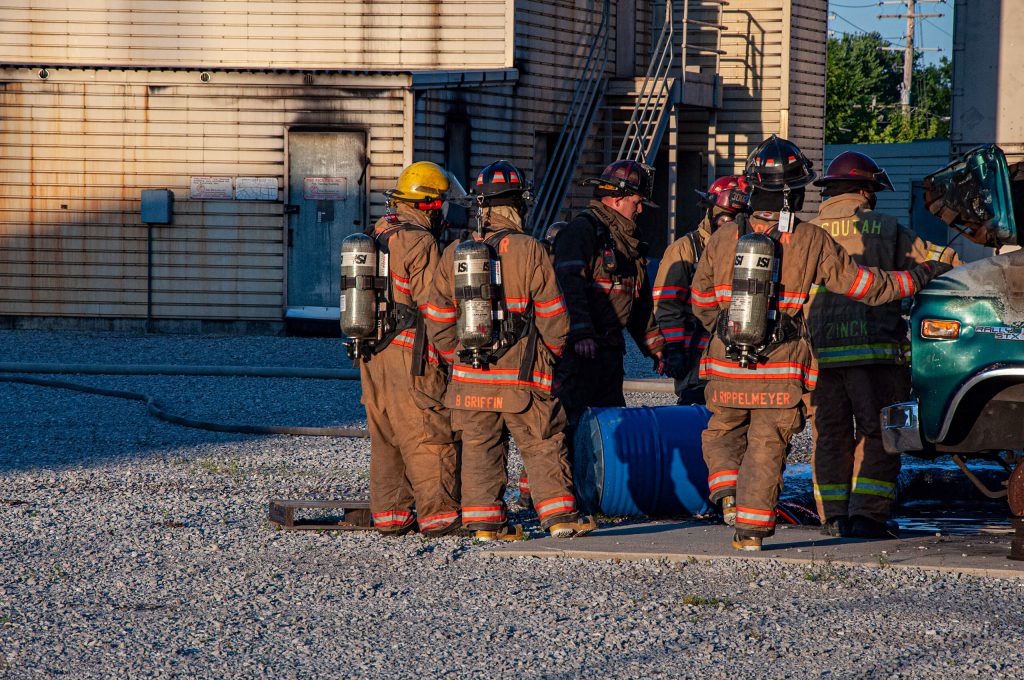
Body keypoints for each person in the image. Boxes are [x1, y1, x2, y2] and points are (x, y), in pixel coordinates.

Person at [689, 135, 955, 551]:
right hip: (793, 363)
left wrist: (726, 332)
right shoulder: (814, 238)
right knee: (772, 441)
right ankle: (755, 531)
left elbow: (701, 302)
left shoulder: (722, 239)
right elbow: (868, 287)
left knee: (726, 429)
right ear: (794, 192)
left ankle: (731, 496)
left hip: (730, 360)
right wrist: (920, 275)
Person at [424, 160, 597, 540]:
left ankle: (485, 524)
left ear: (481, 207)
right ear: (519, 204)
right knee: (542, 443)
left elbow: (436, 318)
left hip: (470, 379)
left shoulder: (454, 252)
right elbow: (555, 316)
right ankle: (560, 520)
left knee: (480, 448)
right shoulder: (530, 250)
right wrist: (549, 356)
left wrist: (461, 353)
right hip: (523, 377)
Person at [805, 151, 961, 539]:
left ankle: (833, 517)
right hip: (875, 352)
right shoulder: (886, 228)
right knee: (880, 433)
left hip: (816, 358)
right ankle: (868, 517)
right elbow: (946, 262)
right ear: (865, 190)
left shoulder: (806, 232)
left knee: (830, 435)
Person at [358, 161, 462, 536]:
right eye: (443, 204)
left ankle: (391, 516)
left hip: (373, 356)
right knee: (425, 430)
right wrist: (453, 352)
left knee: (386, 436)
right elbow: (432, 305)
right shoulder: (420, 242)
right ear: (430, 205)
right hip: (409, 354)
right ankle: (439, 516)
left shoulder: (379, 233)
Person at [553, 159, 666, 439]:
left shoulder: (629, 242)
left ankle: (600, 484)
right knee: (568, 430)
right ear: (617, 199)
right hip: (579, 356)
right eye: (636, 202)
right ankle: (555, 484)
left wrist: (655, 347)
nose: (640, 210)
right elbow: (568, 288)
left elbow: (638, 304)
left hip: (609, 355)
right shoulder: (582, 231)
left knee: (608, 433)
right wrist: (582, 334)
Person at [654, 176, 750, 405]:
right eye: (724, 216)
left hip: (735, 356)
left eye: (736, 217)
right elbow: (666, 304)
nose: (729, 224)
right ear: (709, 211)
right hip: (695, 361)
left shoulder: (750, 250)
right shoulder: (685, 250)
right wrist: (674, 347)